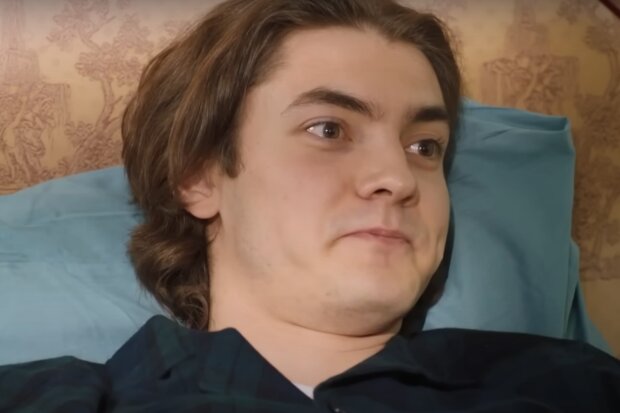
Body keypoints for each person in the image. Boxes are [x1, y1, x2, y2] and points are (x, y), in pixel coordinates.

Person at [1, 0, 619, 411]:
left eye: (424, 146)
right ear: (198, 176)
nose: (397, 177)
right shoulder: (60, 399)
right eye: (329, 129)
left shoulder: (570, 385)